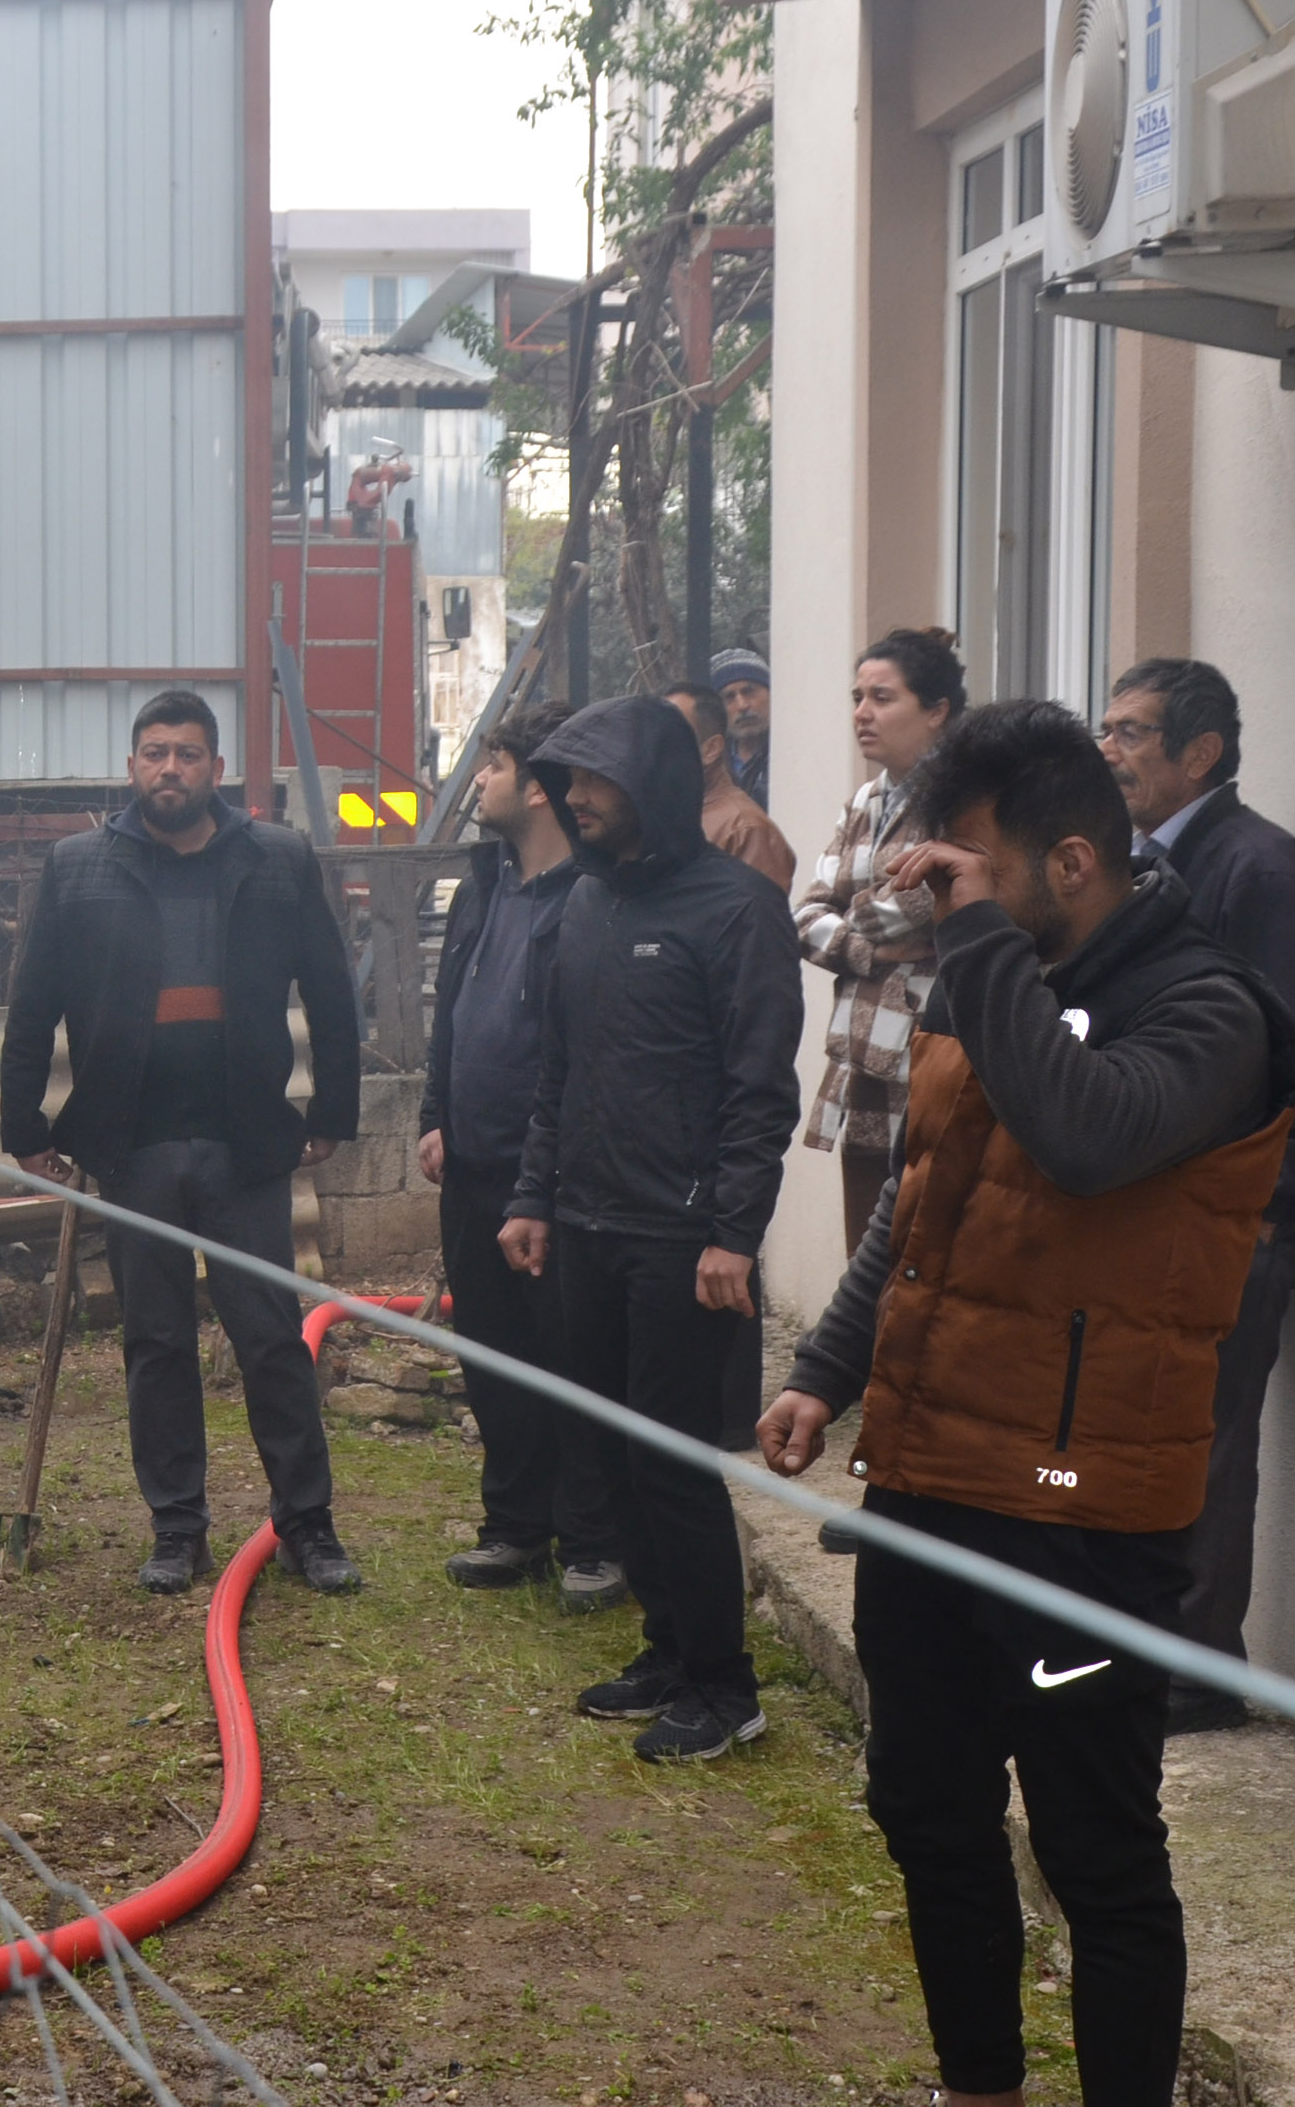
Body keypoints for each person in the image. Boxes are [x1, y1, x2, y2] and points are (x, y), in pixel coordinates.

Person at [761, 700, 1295, 2107]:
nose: (942, 897)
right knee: (928, 1811)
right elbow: (928, 1198)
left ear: (1073, 861)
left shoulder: (1212, 1009)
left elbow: (1085, 1133)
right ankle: (979, 2088)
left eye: (969, 870)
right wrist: (825, 1370)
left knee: (1096, 1854)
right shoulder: (989, 968)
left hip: (1084, 1515)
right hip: (932, 1484)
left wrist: (978, 943)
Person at [2, 689, 368, 1598]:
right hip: (131, 1146)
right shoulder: (79, 866)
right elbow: (33, 1002)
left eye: (190, 754)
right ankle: (178, 1529)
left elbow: (330, 994)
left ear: (217, 769)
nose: (172, 768)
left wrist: (333, 1111)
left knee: (273, 1339)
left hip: (245, 1143)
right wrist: (24, 1129)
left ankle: (308, 1529)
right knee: (155, 1343)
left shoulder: (276, 860)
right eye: (156, 753)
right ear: (132, 767)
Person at [498, 694, 802, 1763]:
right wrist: (534, 1196)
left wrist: (734, 1232)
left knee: (673, 1465)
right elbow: (558, 1071)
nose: (574, 799)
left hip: (682, 1242)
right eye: (566, 780)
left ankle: (727, 1687)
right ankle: (669, 1652)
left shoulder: (736, 909)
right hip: (583, 1222)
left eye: (592, 780)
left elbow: (762, 1090)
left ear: (651, 787)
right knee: (616, 1453)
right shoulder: (583, 903)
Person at [1100, 658, 1295, 1734]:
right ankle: (1139, 1654)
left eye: (1130, 734)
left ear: (1199, 754)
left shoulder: (1259, 869)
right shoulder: (1142, 867)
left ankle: (1197, 1674)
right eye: (1104, 729)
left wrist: (1253, 1211)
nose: (1108, 751)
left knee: (1207, 1434)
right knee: (1150, 1433)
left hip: (1236, 1215)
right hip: (1155, 1209)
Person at [421, 699, 626, 1609]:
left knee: (569, 1355)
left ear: (540, 787)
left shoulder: (595, 897)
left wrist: (543, 1182)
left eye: (494, 764)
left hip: (554, 1181)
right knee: (493, 1353)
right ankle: (514, 1526)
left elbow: (587, 1049)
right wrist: (434, 1112)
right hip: (469, 1166)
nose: (479, 780)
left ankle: (592, 1538)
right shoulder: (482, 885)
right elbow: (451, 1009)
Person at [797, 628, 967, 1249]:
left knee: (920, 1250)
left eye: (883, 697)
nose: (861, 713)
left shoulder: (964, 800)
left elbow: (919, 905)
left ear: (937, 711)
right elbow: (805, 917)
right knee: (864, 1264)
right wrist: (870, 945)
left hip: (929, 1055)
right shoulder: (867, 800)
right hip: (860, 1053)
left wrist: (861, 913)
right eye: (857, 696)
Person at [664, 676, 794, 893]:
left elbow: (755, 921)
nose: (656, 746)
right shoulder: (664, 815)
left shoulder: (745, 829)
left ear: (711, 749)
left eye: (671, 735)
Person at [710, 647, 773, 809]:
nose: (742, 705)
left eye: (749, 692)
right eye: (729, 697)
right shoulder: (711, 762)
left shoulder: (791, 756)